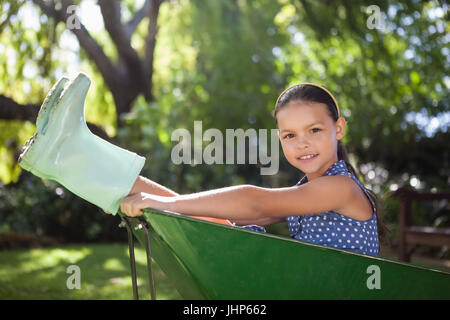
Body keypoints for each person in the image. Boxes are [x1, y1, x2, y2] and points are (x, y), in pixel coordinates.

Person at [117, 83, 381, 256]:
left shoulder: (341, 187)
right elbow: (238, 215)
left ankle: (119, 180)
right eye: (290, 135)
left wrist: (166, 204)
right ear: (280, 139)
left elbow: (257, 204)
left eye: (314, 130)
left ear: (338, 128)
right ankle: (118, 180)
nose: (303, 143)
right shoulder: (307, 190)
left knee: (208, 223)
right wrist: (163, 205)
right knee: (217, 225)